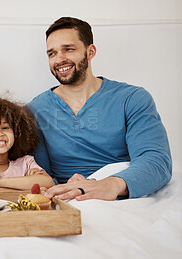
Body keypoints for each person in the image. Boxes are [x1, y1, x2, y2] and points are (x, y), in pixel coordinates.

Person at [28, 17, 172, 201]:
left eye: (68, 49)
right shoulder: (34, 111)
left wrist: (110, 185)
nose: (59, 59)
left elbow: (156, 161)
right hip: (70, 198)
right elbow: (40, 175)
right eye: (52, 53)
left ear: (90, 51)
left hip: (123, 195)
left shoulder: (132, 98)